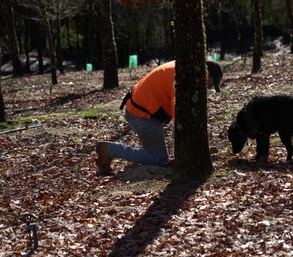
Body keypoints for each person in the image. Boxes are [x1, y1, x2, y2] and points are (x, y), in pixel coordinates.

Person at [95, 60, 223, 174]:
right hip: (141, 115)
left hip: (141, 109)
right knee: (159, 159)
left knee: (155, 154)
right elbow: (180, 122)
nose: (210, 87)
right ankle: (110, 149)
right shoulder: (181, 79)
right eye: (212, 82)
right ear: (205, 74)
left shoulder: (183, 67)